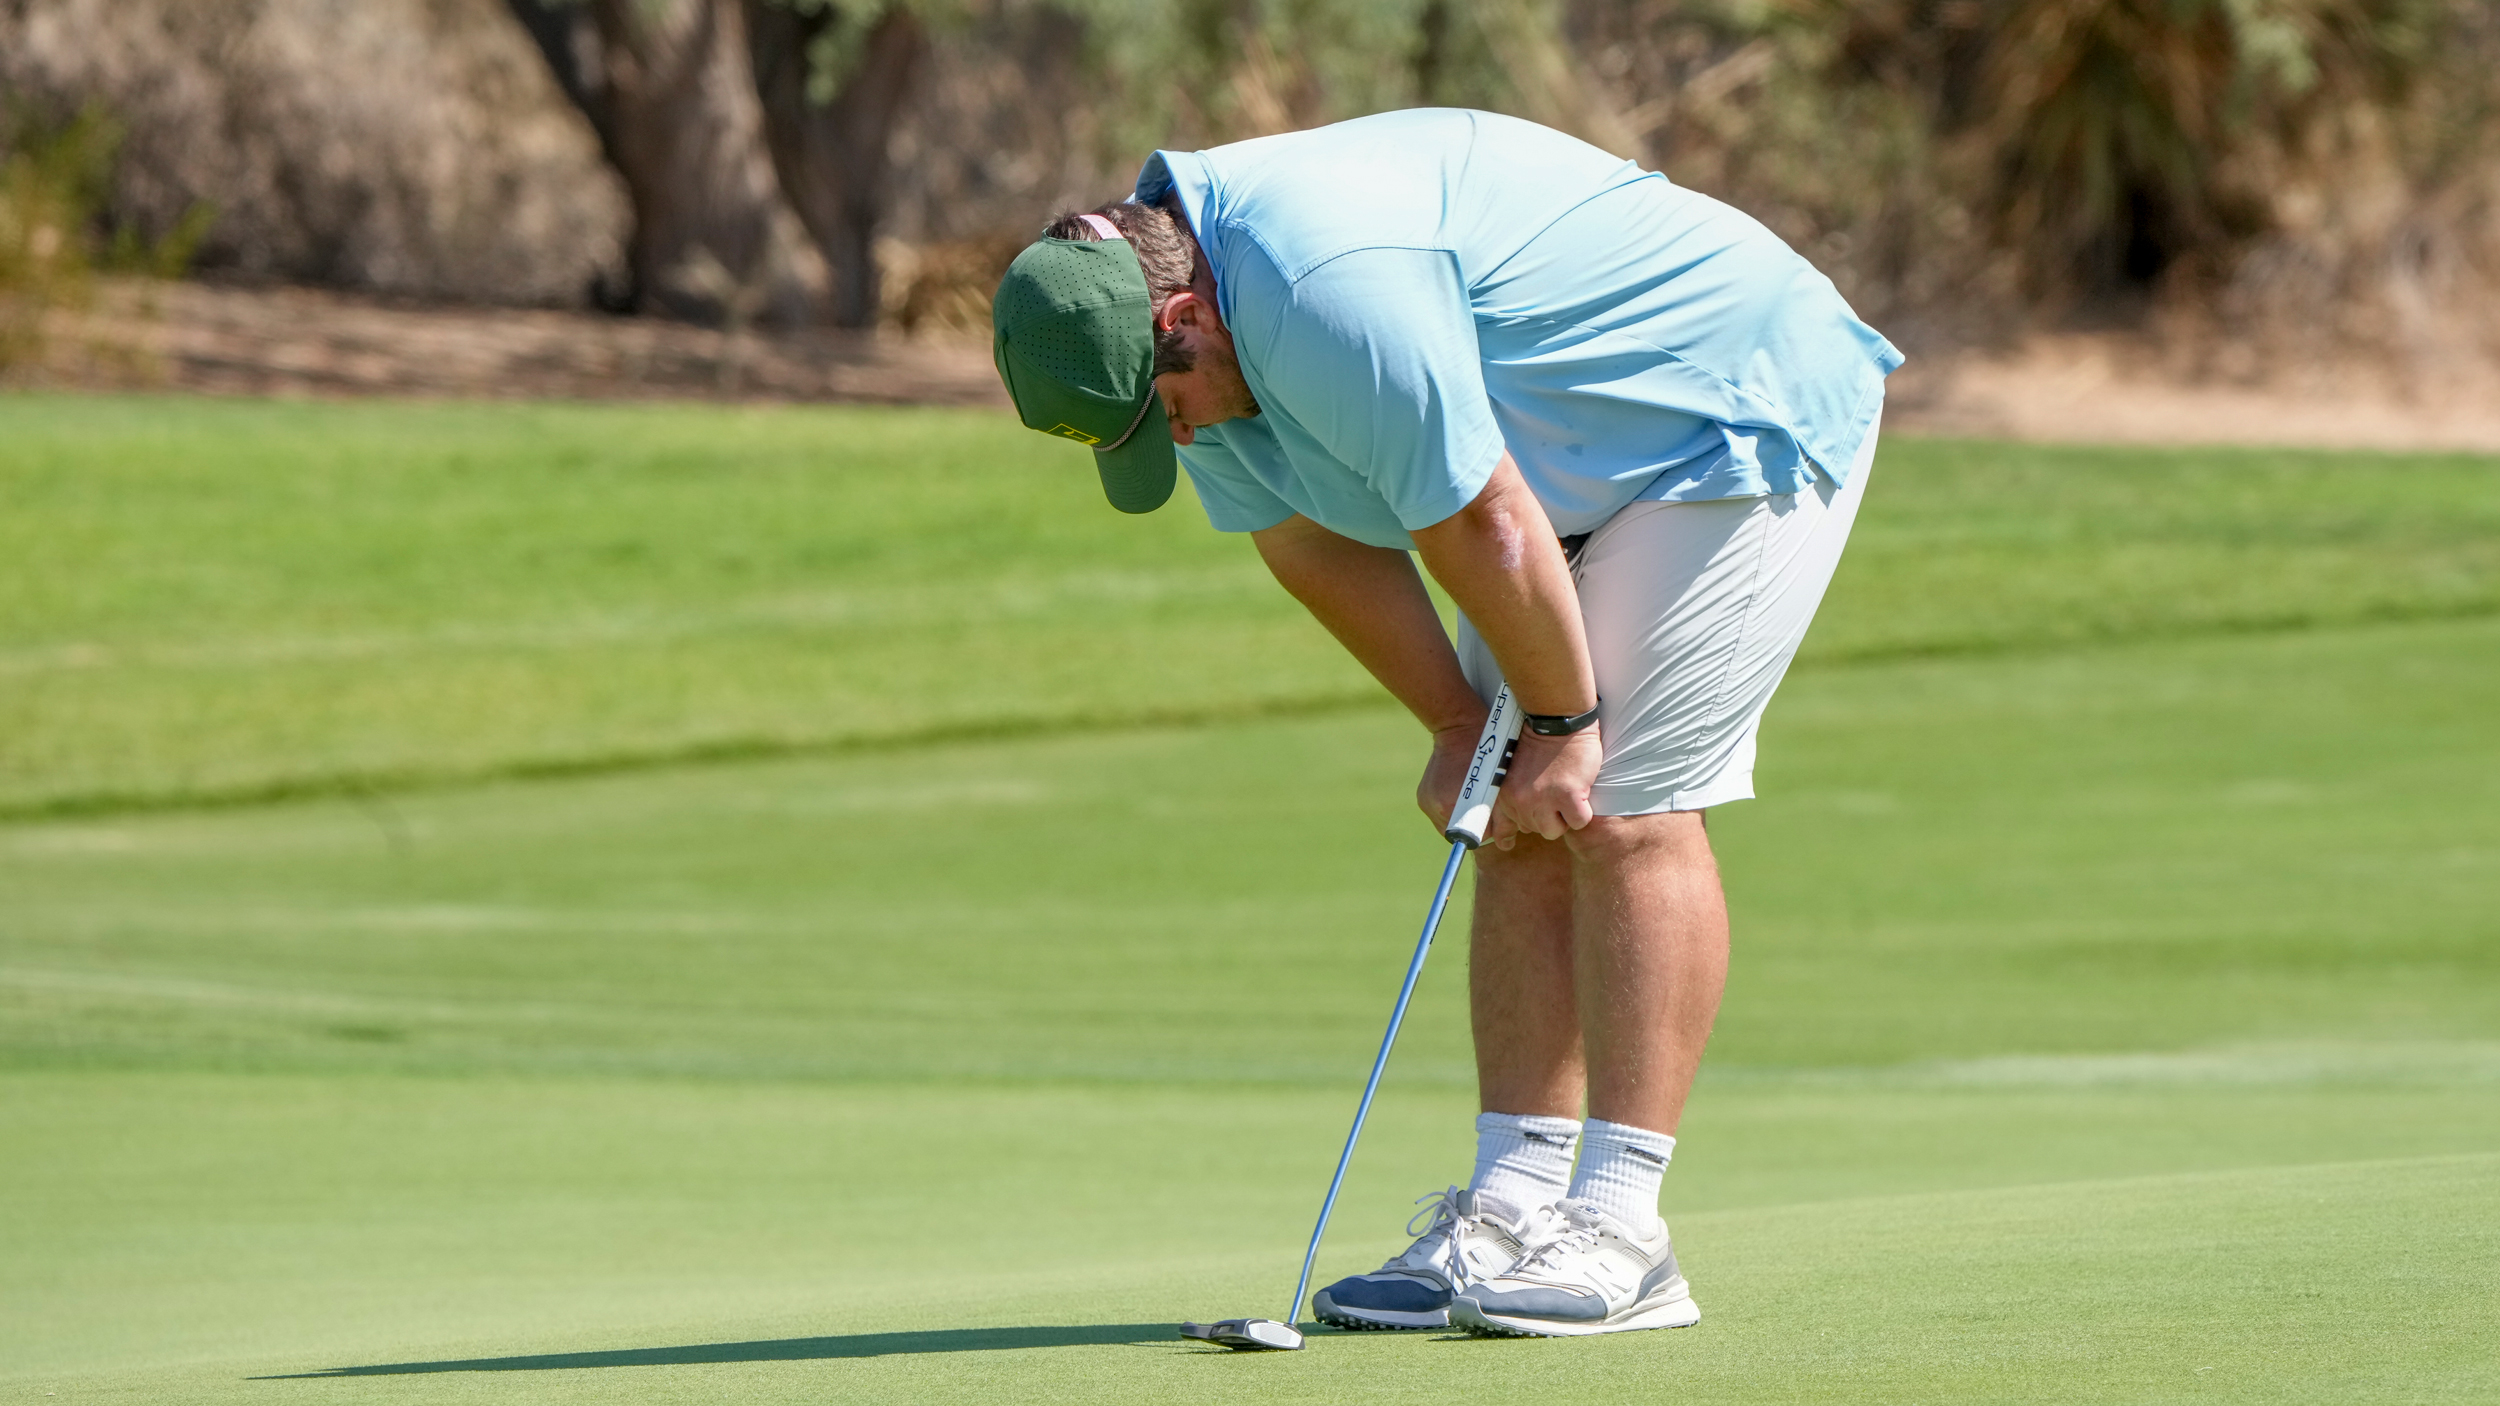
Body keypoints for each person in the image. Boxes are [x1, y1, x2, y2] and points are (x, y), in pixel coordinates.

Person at [990, 108, 1899, 1338]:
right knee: (1513, 806)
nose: (1187, 435)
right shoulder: (1176, 331)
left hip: (1717, 407)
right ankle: (1515, 1204)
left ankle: (1625, 1231)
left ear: (1179, 320)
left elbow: (1477, 517)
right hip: (1546, 468)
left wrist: (1566, 720)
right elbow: (1304, 542)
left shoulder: (1323, 286)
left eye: (1176, 406)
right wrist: (1458, 721)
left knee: (1615, 800)